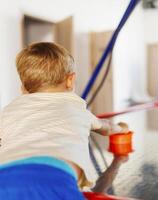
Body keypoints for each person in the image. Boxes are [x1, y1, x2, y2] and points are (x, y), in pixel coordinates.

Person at [0, 42, 129, 200]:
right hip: (54, 178)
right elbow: (107, 128)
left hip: (4, 175)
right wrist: (121, 129)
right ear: (70, 80)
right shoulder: (76, 108)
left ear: (23, 88)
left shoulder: (9, 111)